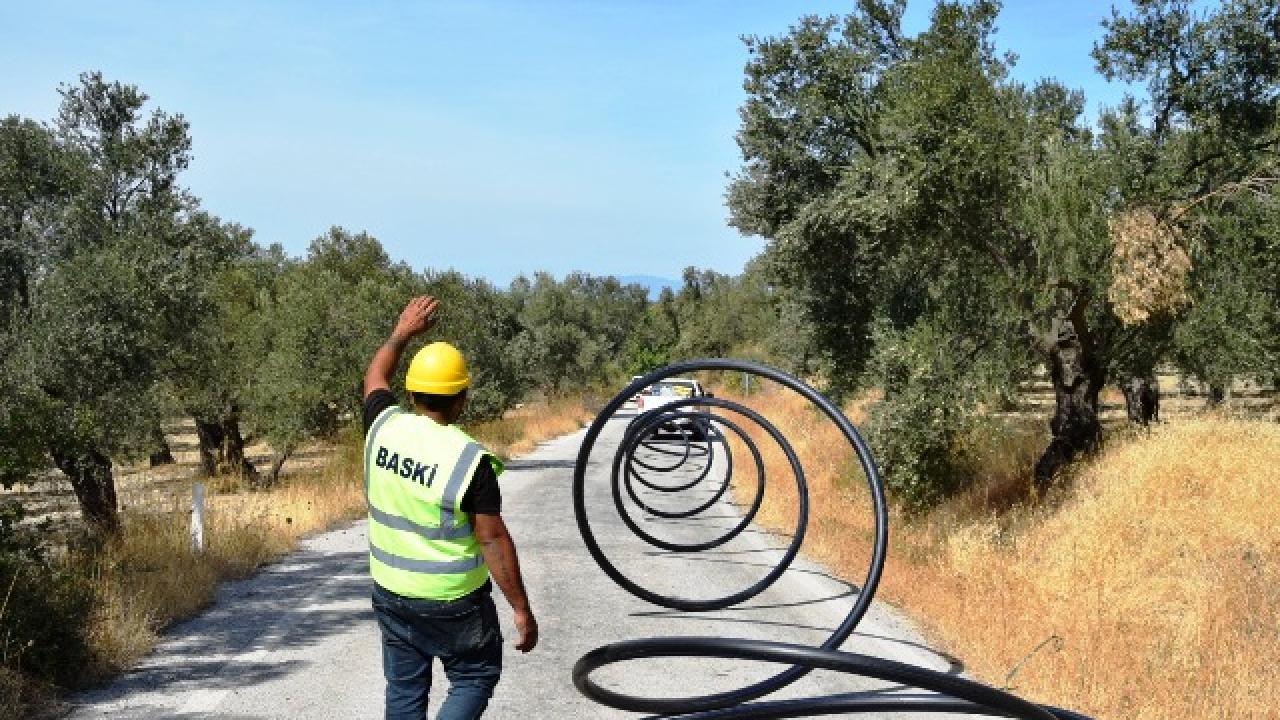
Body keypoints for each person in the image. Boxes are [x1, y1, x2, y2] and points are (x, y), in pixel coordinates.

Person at [361, 295, 538, 720]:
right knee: (476, 675)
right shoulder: (468, 460)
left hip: (392, 591)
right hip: (453, 601)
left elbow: (373, 375)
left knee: (404, 690)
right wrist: (520, 608)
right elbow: (492, 538)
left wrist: (402, 332)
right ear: (461, 399)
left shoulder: (382, 426)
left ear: (411, 391)